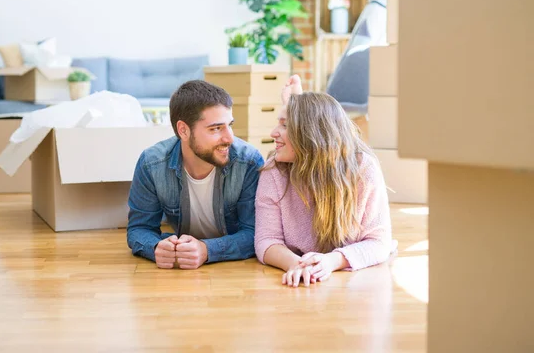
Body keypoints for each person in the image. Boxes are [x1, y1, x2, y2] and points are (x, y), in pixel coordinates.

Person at [254, 75, 396, 287]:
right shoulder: (274, 170)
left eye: (284, 125)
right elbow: (267, 240)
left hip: (352, 286)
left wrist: (331, 261)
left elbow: (379, 243)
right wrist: (296, 265)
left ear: (310, 134)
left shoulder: (363, 168)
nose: (273, 133)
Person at [127, 80, 264, 269]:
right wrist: (156, 247)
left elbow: (255, 233)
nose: (229, 137)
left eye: (229, 125)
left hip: (234, 272)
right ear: (183, 130)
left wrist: (207, 250)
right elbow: (139, 228)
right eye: (215, 128)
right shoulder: (152, 163)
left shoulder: (248, 161)